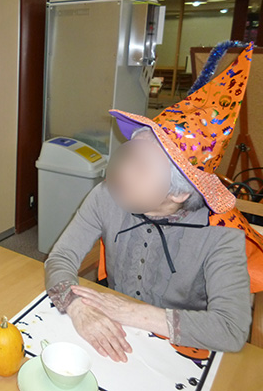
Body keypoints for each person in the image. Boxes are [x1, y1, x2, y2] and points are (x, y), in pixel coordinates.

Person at [45, 42, 263, 362]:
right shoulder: (107, 196)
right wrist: (76, 307)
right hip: (115, 331)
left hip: (184, 346)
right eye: (128, 155)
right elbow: (61, 256)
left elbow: (230, 329)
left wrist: (136, 314)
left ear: (178, 193)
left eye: (141, 166)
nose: (122, 172)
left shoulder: (221, 232)